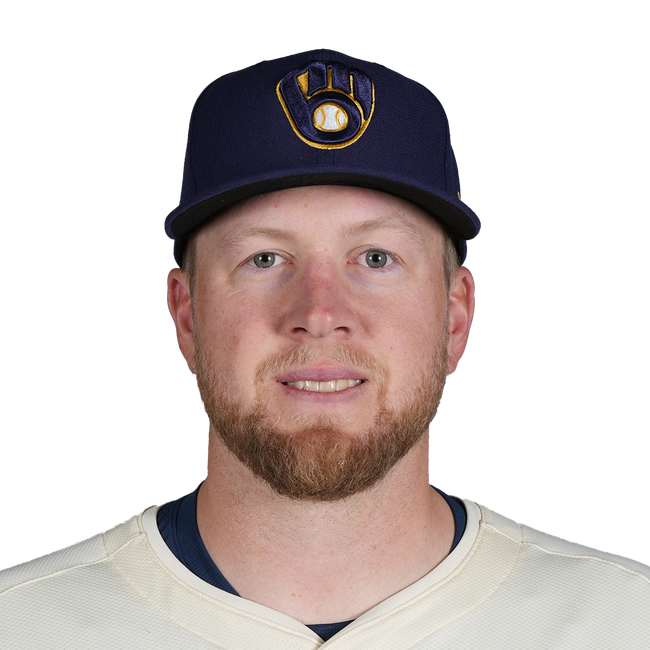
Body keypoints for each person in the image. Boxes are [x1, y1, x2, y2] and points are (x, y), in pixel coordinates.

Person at [1, 49, 648, 649]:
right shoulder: (22, 624)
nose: (319, 315)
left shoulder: (623, 621)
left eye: (376, 257)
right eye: (264, 258)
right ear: (186, 313)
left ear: (456, 314)